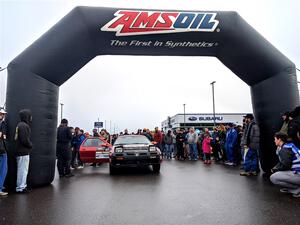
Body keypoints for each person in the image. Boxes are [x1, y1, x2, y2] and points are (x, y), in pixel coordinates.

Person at [270, 132, 300, 198]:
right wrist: (276, 168)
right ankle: (291, 188)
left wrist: (275, 169)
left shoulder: (284, 149)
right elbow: (283, 162)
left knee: (273, 178)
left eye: (275, 139)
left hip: (298, 174)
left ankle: (297, 189)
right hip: (297, 172)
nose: (274, 141)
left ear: (279, 139)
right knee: (278, 173)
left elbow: (286, 165)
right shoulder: (289, 145)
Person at [14, 109, 33, 193]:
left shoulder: (19, 125)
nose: (30, 118)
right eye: (29, 116)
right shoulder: (24, 126)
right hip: (23, 152)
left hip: (19, 151)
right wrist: (30, 145)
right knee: (23, 170)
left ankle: (21, 186)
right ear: (26, 116)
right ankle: (20, 188)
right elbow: (24, 139)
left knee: (21, 170)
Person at [0, 109, 8, 196]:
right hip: (2, 150)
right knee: (3, 169)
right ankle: (0, 188)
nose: (3, 116)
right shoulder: (2, 124)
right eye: (2, 114)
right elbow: (3, 136)